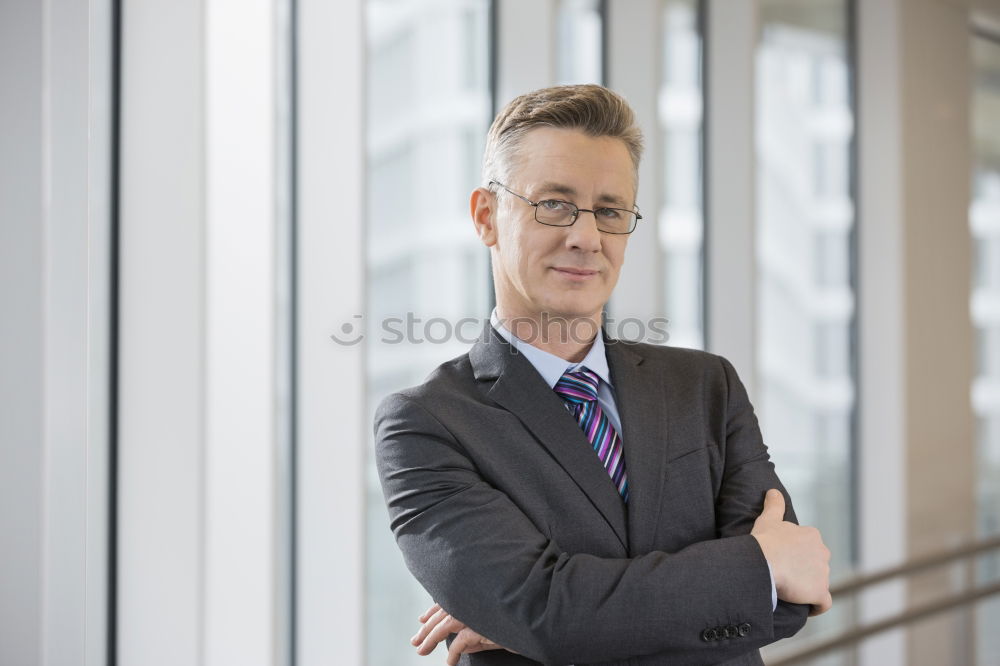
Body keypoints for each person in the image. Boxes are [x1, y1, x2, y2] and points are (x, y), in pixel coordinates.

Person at [374, 84, 831, 666]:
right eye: (554, 204)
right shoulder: (426, 423)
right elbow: (547, 614)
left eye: (610, 211)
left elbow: (793, 596)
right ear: (486, 217)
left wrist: (548, 615)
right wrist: (752, 572)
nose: (586, 237)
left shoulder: (706, 387)